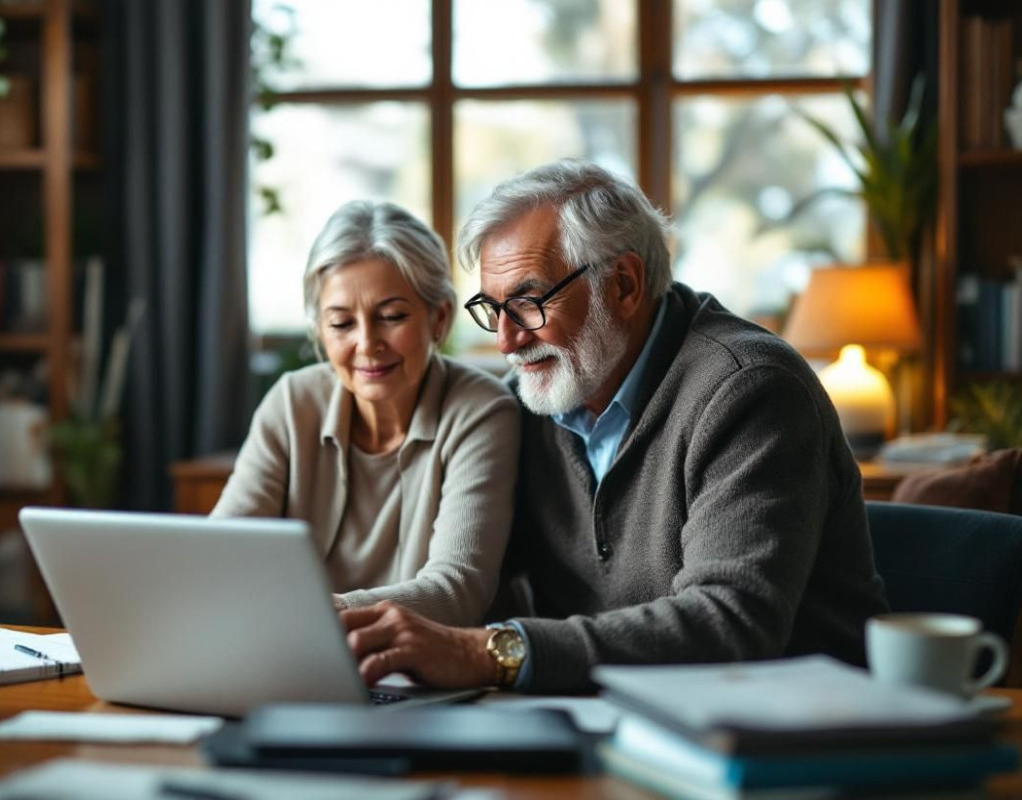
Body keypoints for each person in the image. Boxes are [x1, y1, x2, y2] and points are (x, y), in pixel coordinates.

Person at [342, 161, 889, 693]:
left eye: (528, 303)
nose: (506, 341)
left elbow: (731, 623)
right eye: (493, 308)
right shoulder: (531, 404)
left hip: (788, 738)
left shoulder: (750, 390)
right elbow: (466, 574)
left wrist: (485, 653)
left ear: (624, 285)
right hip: (606, 723)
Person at [212, 200, 520, 626]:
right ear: (318, 329)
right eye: (341, 324)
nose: (367, 343)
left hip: (436, 672)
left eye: (392, 316)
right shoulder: (292, 402)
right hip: (299, 655)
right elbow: (222, 551)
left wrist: (314, 614)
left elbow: (458, 590)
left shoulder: (482, 411)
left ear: (440, 318)